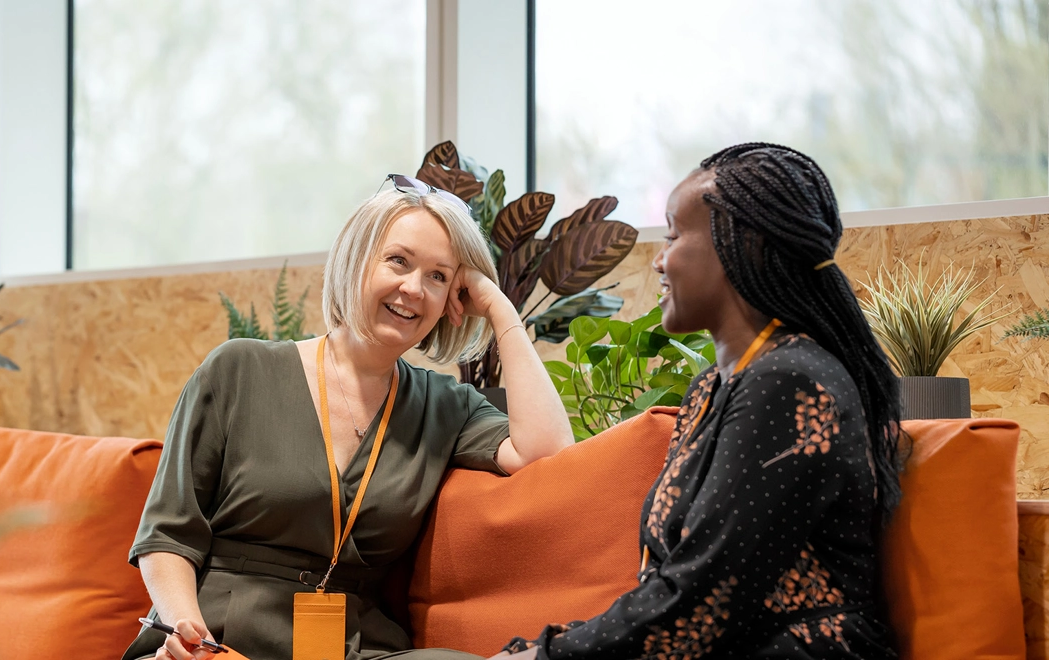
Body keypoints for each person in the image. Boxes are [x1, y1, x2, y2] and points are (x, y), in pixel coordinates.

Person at [122, 175, 574, 660]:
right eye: (398, 261)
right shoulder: (239, 370)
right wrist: (188, 633)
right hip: (219, 635)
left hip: (352, 646)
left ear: (452, 303)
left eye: (439, 276)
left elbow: (548, 452)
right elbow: (168, 534)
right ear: (356, 261)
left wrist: (499, 307)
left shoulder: (446, 406)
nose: (413, 289)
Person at [496, 143, 906, 659]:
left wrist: (546, 655)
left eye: (672, 235)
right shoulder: (712, 388)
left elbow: (704, 598)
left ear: (740, 243)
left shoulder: (790, 383)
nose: (659, 261)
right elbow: (676, 587)